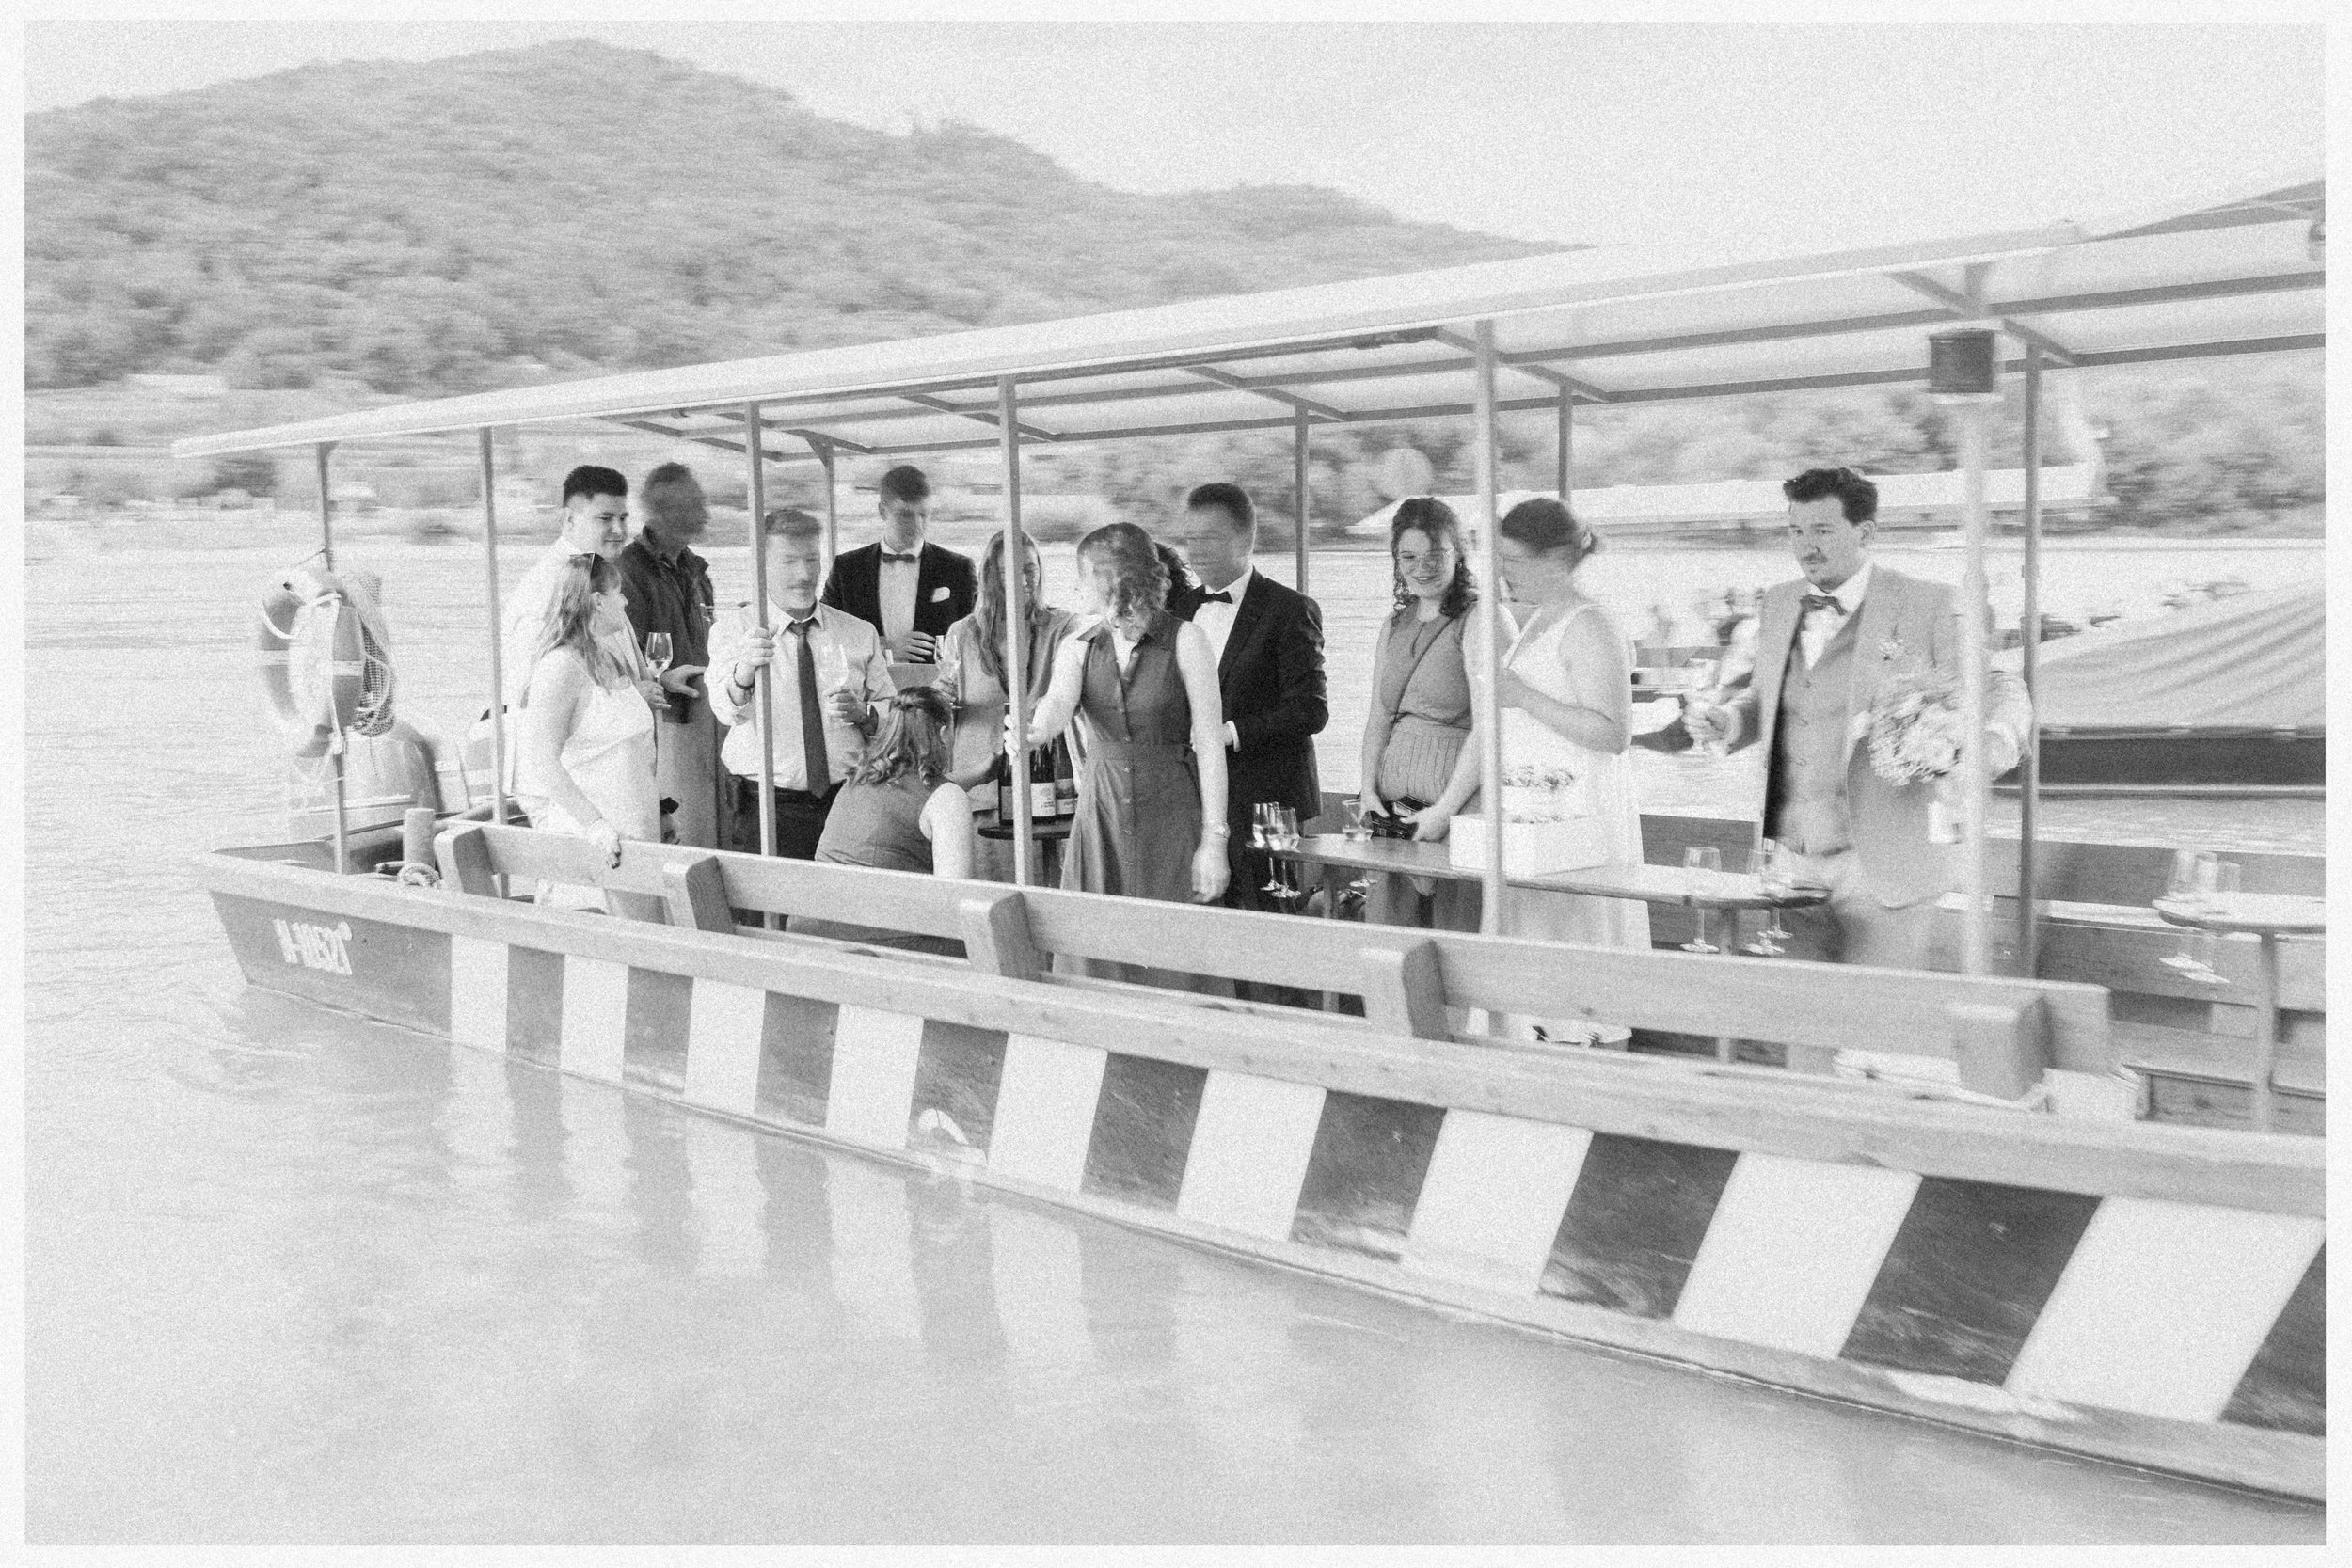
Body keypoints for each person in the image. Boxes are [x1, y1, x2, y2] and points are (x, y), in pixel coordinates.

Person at [1684, 466, 2030, 969]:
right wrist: (1729, 721)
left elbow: (2001, 687)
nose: (1806, 547)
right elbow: (1768, 699)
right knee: (1803, 1026)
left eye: (1822, 530)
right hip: (1789, 861)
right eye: (1795, 531)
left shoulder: (1928, 603)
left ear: (1866, 533)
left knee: (1880, 1030)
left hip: (1886, 864)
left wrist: (1985, 747)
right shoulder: (1779, 602)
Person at [1414, 498, 1648, 1043]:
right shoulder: (1535, 621)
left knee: (1572, 961)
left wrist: (1522, 694)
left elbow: (1613, 734)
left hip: (1578, 817)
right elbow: (1492, 728)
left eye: (1514, 562)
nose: (1502, 574)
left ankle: (1579, 1048)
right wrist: (1445, 809)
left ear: (1558, 558)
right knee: (1522, 959)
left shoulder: (1591, 625)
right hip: (1527, 816)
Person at [1018, 522, 1229, 985]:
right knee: (1093, 958)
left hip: (1172, 821)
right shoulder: (1078, 647)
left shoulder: (1188, 640)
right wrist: (1032, 731)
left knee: (1178, 962)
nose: (1075, 588)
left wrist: (1214, 843)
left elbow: (1210, 744)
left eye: (1082, 575)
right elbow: (1057, 706)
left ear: (1111, 578)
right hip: (1102, 820)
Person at [1164, 482, 1327, 918]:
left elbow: (1310, 709)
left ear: (1246, 539)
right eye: (1190, 539)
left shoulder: (1290, 609)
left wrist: (1230, 734)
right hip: (1196, 797)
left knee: (1271, 928)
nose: (1196, 552)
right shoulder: (1179, 609)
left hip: (1267, 801)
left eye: (1210, 538)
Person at [707, 507, 894, 860]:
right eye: (790, 562)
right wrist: (744, 670)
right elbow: (724, 709)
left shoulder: (858, 632)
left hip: (849, 802)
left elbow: (895, 715)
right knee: (771, 913)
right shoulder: (734, 630)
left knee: (847, 909)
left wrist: (865, 713)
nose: (805, 574)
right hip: (767, 807)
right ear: (762, 565)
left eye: (812, 560)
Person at [1357, 497, 1500, 933]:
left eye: (1435, 554)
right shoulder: (1393, 624)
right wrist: (1367, 792)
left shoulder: (1481, 619)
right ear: (1396, 561)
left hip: (1459, 812)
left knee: (1456, 942)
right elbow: (1378, 716)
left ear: (1458, 551)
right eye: (1409, 557)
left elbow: (1489, 727)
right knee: (1389, 938)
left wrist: (1446, 810)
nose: (1423, 567)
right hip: (1392, 813)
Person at [515, 554, 660, 917]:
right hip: (595, 840)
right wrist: (594, 825)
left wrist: (661, 807)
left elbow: (630, 749)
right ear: (598, 601)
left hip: (637, 830)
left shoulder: (606, 657)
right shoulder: (560, 667)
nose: (625, 603)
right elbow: (540, 761)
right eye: (620, 593)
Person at [787, 687, 977, 957]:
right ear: (945, 735)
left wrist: (977, 775)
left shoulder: (855, 779)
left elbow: (908, 793)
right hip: (887, 947)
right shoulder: (947, 798)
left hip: (818, 937)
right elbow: (954, 902)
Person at [937, 530, 1077, 883]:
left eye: (1030, 569)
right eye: (1009, 572)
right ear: (989, 576)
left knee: (1046, 892)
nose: (1024, 580)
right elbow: (943, 694)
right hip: (982, 790)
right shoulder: (963, 633)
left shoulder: (1061, 628)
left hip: (1044, 789)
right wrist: (943, 701)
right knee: (989, 895)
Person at [616, 462, 721, 847]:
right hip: (663, 726)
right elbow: (625, 659)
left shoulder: (697, 571)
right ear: (665, 513)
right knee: (680, 831)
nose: (705, 513)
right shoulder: (628, 572)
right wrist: (662, 679)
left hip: (706, 719)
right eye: (695, 505)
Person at [820, 464, 977, 663]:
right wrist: (882, 649)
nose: (917, 525)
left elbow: (974, 638)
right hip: (867, 688)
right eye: (905, 514)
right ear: (882, 511)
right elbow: (824, 635)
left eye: (923, 514)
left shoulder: (958, 568)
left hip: (934, 689)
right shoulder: (848, 568)